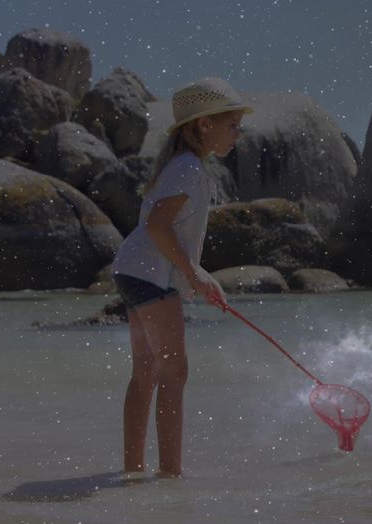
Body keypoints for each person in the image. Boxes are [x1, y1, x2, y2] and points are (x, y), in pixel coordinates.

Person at [110, 77, 252, 478]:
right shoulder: (189, 169)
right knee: (174, 374)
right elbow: (158, 226)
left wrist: (193, 278)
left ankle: (133, 472)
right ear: (204, 124)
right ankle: (170, 476)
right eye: (233, 125)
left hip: (132, 271)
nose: (238, 135)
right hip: (149, 275)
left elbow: (158, 229)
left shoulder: (178, 166)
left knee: (146, 374)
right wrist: (195, 274)